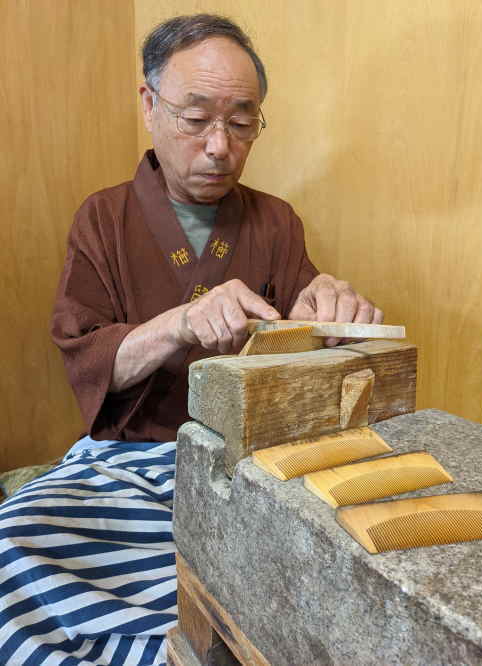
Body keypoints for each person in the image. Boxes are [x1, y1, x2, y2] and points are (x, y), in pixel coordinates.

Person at [0, 14, 382, 666]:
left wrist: (330, 313)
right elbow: (88, 359)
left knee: (309, 571)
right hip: (132, 464)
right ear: (149, 104)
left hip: (251, 468)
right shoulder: (104, 216)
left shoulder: (276, 221)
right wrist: (179, 322)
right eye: (197, 118)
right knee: (16, 539)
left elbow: (308, 332)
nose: (219, 146)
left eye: (242, 122)